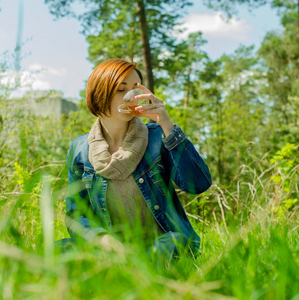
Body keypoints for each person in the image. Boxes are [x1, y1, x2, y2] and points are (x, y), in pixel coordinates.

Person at [61, 58, 212, 262]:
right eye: (121, 90)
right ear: (99, 94)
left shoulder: (158, 137)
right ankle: (118, 270)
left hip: (162, 244)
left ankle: (139, 276)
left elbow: (199, 185)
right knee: (57, 249)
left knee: (171, 244)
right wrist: (104, 241)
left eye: (135, 89)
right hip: (113, 249)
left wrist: (167, 125)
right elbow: (76, 215)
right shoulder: (79, 149)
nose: (130, 98)